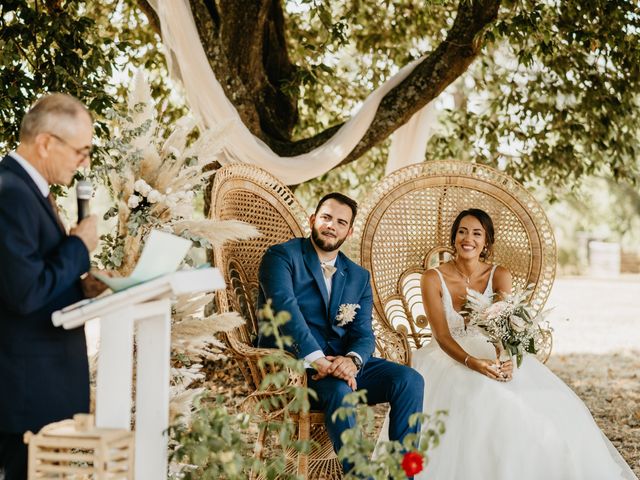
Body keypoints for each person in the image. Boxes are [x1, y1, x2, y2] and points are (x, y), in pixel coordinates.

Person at [379, 208, 637, 479]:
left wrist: (506, 359)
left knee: (540, 405)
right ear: (454, 237)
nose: (468, 238)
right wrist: (473, 363)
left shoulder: (499, 274)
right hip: (447, 356)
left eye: (477, 233)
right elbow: (442, 335)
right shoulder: (432, 278)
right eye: (462, 231)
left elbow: (506, 328)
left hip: (492, 352)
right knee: (478, 394)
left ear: (486, 241)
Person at [257, 192, 424, 473]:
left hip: (341, 366)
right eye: (326, 217)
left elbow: (363, 334)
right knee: (339, 389)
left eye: (340, 222)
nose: (331, 225)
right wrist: (321, 362)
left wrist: (352, 361)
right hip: (295, 366)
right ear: (313, 220)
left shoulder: (358, 275)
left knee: (410, 380)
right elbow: (286, 313)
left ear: (349, 230)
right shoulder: (282, 257)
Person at [0, 93, 106, 480]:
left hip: (43, 391)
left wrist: (83, 288)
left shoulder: (29, 191)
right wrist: (79, 246)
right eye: (81, 151)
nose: (84, 162)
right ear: (45, 142)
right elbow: (24, 292)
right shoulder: (10, 193)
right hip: (26, 394)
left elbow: (37, 281)